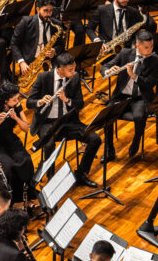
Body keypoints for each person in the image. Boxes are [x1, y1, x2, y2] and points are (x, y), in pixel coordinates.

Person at [25, 53, 101, 187]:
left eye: (74, 69)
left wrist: (67, 100)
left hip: (68, 121)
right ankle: (50, 179)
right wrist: (40, 101)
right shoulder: (43, 77)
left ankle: (81, 174)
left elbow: (80, 104)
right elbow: (29, 102)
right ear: (59, 69)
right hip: (47, 122)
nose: (74, 72)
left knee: (95, 139)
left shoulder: (74, 78)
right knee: (48, 145)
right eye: (70, 70)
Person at [101, 29, 158, 160]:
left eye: (151, 46)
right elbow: (105, 66)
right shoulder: (125, 53)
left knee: (139, 117)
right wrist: (108, 71)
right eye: (146, 47)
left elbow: (150, 84)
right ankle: (109, 150)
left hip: (140, 98)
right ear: (137, 45)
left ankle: (136, 142)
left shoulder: (155, 60)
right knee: (107, 115)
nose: (150, 50)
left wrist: (134, 77)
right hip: (121, 96)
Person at [0, 81, 37, 205]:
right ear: (6, 100)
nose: (17, 101)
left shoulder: (16, 106)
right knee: (8, 167)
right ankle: (11, 200)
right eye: (14, 99)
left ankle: (27, 196)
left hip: (11, 140)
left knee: (26, 161)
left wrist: (16, 118)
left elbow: (26, 128)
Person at [87, 0, 157, 47]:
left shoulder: (133, 11)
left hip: (128, 48)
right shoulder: (102, 10)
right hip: (108, 47)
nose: (125, 0)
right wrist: (97, 40)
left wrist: (139, 41)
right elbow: (89, 29)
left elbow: (150, 24)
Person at [10, 0, 65, 78]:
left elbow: (61, 45)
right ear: (38, 9)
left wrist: (55, 50)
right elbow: (14, 43)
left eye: (51, 11)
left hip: (50, 61)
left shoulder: (56, 24)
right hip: (31, 62)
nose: (48, 14)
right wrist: (21, 62)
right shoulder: (25, 22)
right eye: (45, 10)